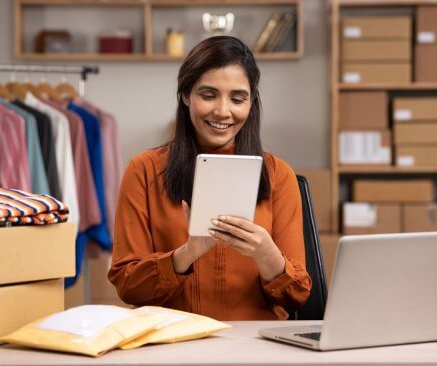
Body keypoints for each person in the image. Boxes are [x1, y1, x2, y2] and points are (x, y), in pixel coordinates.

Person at [108, 36, 311, 320]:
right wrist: (187, 254)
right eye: (208, 95)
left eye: (237, 98)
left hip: (254, 344)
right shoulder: (144, 170)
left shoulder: (279, 175)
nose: (223, 111)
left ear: (251, 103)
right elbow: (128, 287)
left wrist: (266, 254)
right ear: (185, 95)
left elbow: (297, 296)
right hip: (173, 342)